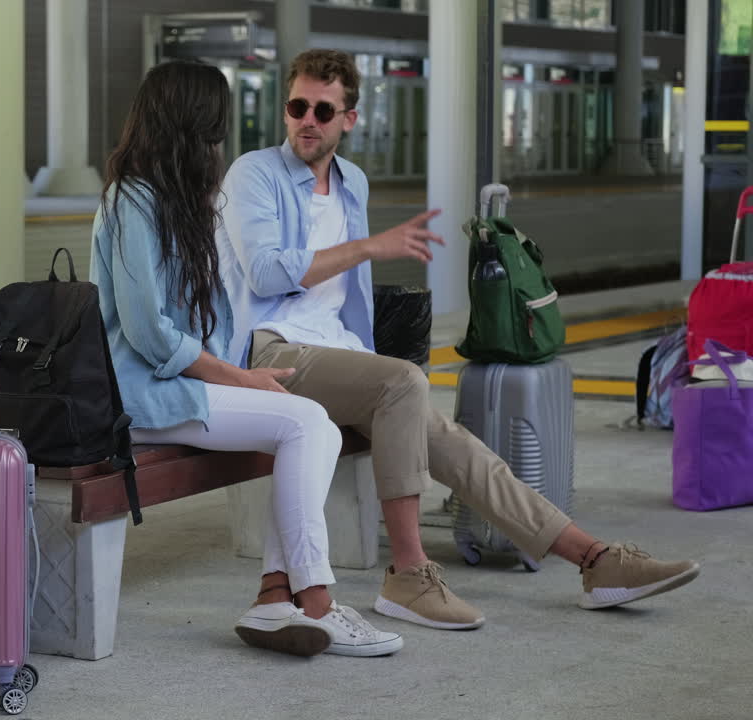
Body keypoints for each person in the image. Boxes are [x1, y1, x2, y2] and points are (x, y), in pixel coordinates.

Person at [217, 48, 700, 631]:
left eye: (324, 110)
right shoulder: (255, 173)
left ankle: (594, 560)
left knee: (460, 446)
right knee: (403, 382)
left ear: (349, 119)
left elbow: (349, 300)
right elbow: (266, 274)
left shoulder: (352, 184)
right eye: (298, 106)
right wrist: (373, 248)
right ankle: (408, 573)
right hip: (271, 352)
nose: (307, 120)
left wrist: (364, 354)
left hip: (338, 350)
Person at [90, 60, 402, 658]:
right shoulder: (132, 199)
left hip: (178, 385)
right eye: (215, 122)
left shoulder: (181, 200)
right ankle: (313, 598)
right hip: (140, 393)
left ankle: (272, 601)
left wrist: (240, 370)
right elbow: (148, 332)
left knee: (315, 426)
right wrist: (238, 377)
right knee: (308, 422)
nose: (221, 136)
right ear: (189, 121)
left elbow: (212, 312)